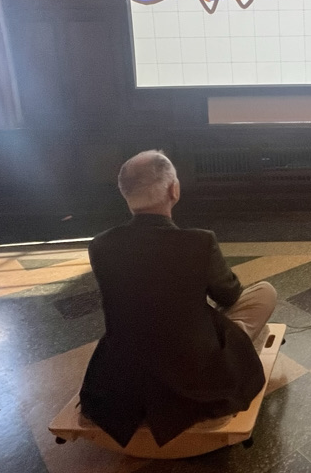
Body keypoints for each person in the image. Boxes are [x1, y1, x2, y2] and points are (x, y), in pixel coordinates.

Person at [80, 150, 277, 447]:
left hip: (124, 373)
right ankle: (237, 347)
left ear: (125, 194)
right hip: (195, 377)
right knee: (264, 293)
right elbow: (229, 294)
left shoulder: (100, 246)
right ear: (174, 190)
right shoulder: (199, 242)